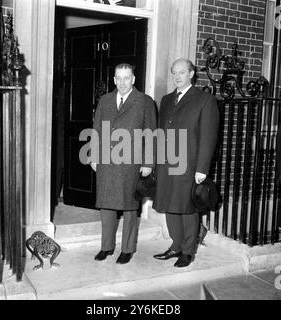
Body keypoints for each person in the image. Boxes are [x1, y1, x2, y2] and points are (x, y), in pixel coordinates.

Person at [153, 58, 219, 268]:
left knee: (188, 208)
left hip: (189, 165)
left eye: (182, 72)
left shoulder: (204, 100)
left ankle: (188, 251)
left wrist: (202, 169)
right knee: (170, 206)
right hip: (167, 163)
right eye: (174, 73)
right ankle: (176, 245)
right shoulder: (165, 100)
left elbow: (208, 137)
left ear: (191, 74)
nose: (177, 76)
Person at [91, 63, 157, 264]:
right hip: (106, 162)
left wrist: (148, 163)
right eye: (118, 78)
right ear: (113, 80)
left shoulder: (145, 101)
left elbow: (151, 134)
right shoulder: (105, 100)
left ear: (133, 79)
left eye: (126, 78)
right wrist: (94, 156)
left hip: (131, 164)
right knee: (106, 206)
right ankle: (107, 247)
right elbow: (97, 130)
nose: (122, 82)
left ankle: (127, 249)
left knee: (130, 207)